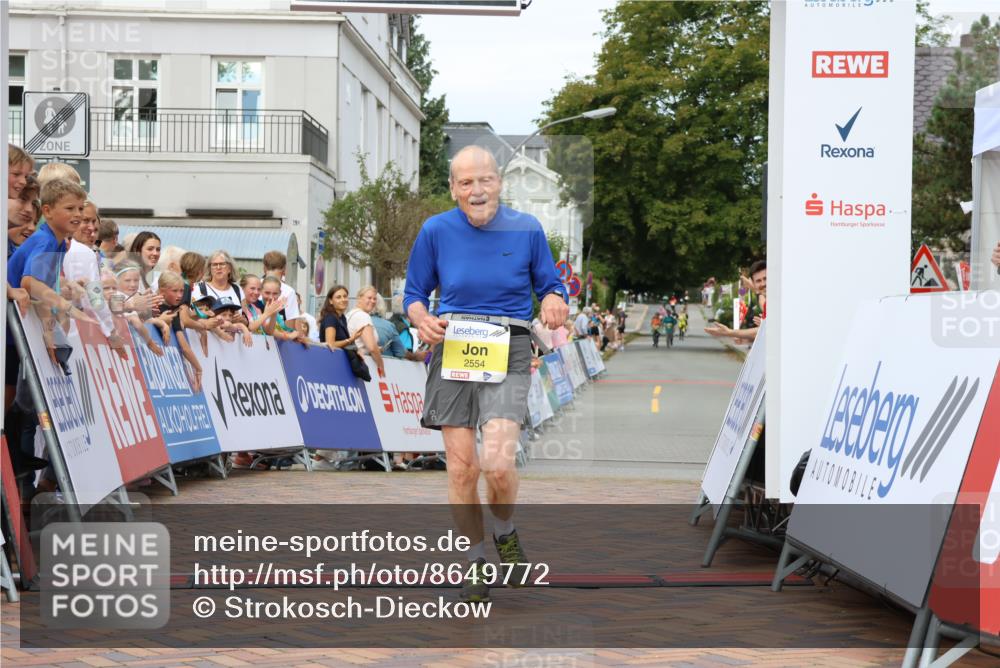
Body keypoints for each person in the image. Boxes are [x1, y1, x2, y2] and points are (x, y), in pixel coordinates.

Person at [403, 145, 569, 603]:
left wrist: (555, 299)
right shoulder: (435, 230)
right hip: (452, 343)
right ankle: (475, 559)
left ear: (500, 181)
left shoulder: (527, 228)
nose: (477, 191)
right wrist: (421, 319)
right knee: (461, 469)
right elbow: (414, 294)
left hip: (509, 345)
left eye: (485, 180)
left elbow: (551, 284)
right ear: (454, 188)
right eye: (466, 182)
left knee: (496, 465)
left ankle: (506, 531)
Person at [705, 260, 766, 344]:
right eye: (758, 281)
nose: (763, 283)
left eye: (765, 279)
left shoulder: (779, 302)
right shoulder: (767, 302)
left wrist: (729, 332)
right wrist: (746, 339)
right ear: (754, 282)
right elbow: (767, 333)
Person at [347, 285, 386, 376]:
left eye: (374, 299)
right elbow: (371, 347)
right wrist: (381, 366)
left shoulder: (351, 313)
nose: (372, 301)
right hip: (360, 366)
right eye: (369, 298)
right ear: (359, 298)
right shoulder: (363, 316)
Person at [262, 250, 301, 325]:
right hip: (280, 335)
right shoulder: (289, 291)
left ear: (264, 268)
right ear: (284, 270)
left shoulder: (254, 287)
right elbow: (290, 326)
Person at [319, 285, 360, 351]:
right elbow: (330, 344)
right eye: (338, 297)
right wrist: (350, 340)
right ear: (330, 301)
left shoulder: (342, 317)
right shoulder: (330, 318)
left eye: (345, 296)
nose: (343, 300)